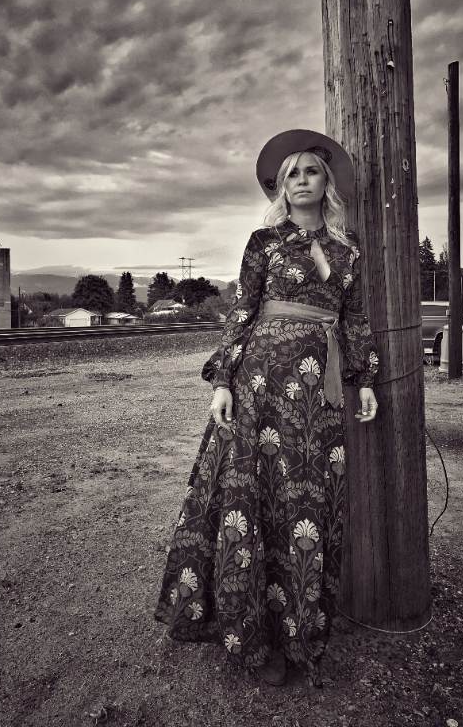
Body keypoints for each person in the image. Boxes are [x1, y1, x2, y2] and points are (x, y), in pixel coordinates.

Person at [154, 129, 379, 687]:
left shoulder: (350, 252)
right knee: (253, 495)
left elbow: (353, 321)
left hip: (319, 396)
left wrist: (365, 379)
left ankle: (299, 628)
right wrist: (223, 380)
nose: (302, 180)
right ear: (281, 187)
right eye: (291, 174)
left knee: (308, 500)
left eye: (311, 171)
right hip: (260, 383)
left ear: (328, 182)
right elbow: (240, 312)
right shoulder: (265, 243)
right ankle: (251, 635)